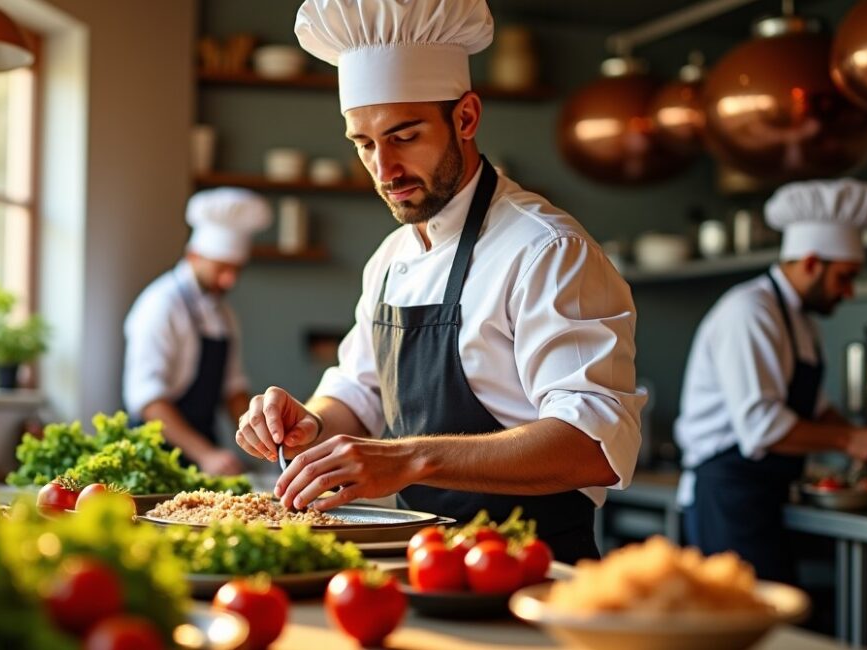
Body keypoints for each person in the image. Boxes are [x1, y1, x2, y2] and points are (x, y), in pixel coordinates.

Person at [232, 0, 646, 563]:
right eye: (364, 143)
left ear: (466, 117)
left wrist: (408, 459)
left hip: (534, 571)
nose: (385, 170)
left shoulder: (546, 250)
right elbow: (358, 392)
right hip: (425, 565)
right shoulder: (389, 257)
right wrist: (310, 423)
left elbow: (594, 444)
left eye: (405, 136)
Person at [674, 178, 867, 583]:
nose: (849, 292)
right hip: (727, 494)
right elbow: (762, 427)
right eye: (844, 277)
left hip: (765, 494)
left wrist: (860, 435)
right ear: (812, 263)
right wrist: (849, 440)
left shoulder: (803, 322)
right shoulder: (750, 312)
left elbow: (813, 408)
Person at [123, 187, 272, 476]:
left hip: (206, 452)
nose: (229, 280)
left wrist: (265, 446)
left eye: (236, 270)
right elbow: (148, 400)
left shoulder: (224, 314)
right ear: (193, 255)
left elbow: (233, 390)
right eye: (221, 269)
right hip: (154, 456)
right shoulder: (160, 305)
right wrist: (206, 454)